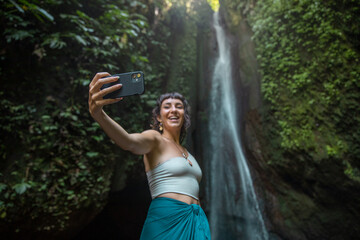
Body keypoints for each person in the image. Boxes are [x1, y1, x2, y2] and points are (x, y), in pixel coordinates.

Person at [88, 72, 211, 240]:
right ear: (159, 117)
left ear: (184, 115)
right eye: (167, 106)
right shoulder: (155, 139)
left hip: (197, 221)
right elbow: (128, 142)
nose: (174, 110)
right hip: (167, 219)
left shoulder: (188, 153)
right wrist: (99, 114)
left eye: (179, 106)